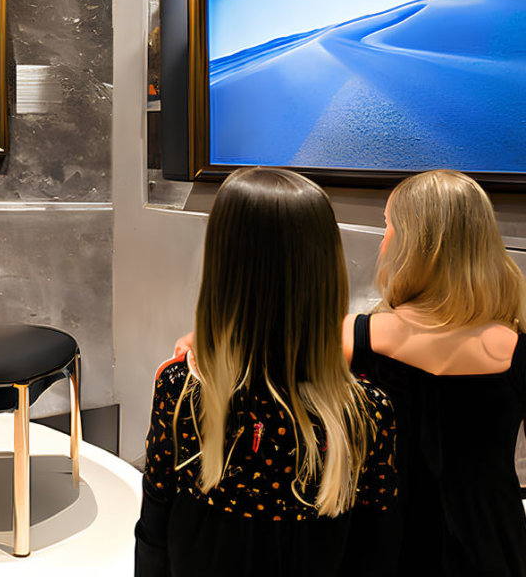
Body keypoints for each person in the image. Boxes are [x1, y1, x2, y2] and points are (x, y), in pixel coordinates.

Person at [136, 167, 398, 577]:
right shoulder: (366, 411)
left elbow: (154, 529)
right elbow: (375, 549)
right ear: (326, 272)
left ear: (223, 272)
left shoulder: (182, 392)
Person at [343, 169, 526, 576]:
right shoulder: (517, 346)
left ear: (413, 245)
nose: (383, 239)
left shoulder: (354, 337)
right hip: (494, 544)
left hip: (383, 543)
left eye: (387, 225)